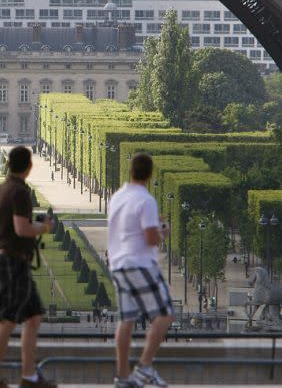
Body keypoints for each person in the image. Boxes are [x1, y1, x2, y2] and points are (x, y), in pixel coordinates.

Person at [0, 146, 56, 388]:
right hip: (13, 262)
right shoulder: (20, 192)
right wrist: (44, 228)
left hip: (6, 260)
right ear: (29, 167)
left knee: (33, 316)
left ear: (8, 164)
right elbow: (21, 228)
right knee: (8, 320)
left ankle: (29, 376)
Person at [107, 153, 173, 388]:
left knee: (126, 320)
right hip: (139, 263)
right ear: (150, 174)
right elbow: (150, 237)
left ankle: (123, 376)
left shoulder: (117, 197)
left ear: (130, 171)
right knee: (164, 314)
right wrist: (162, 233)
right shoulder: (146, 200)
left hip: (118, 264)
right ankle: (144, 367)